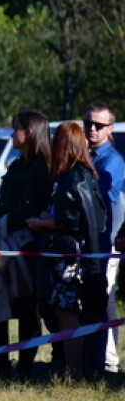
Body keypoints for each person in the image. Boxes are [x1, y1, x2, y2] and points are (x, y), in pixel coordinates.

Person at [27, 121, 106, 379]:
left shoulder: (76, 176)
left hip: (70, 258)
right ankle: (68, 366)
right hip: (66, 255)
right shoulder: (74, 175)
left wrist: (42, 222)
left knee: (67, 313)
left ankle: (74, 373)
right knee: (62, 313)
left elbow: (73, 221)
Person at [0, 110, 53, 378]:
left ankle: (23, 368)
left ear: (29, 131)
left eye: (16, 128)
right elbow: (9, 202)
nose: (12, 133)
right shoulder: (19, 163)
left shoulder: (41, 167)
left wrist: (2, 223)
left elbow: (30, 208)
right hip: (1, 242)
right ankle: (0, 365)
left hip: (24, 247)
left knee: (26, 310)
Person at [84, 103, 124, 374]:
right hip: (91, 240)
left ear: (110, 129)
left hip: (106, 240)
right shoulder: (88, 155)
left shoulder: (113, 161)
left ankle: (109, 361)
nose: (92, 129)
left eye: (99, 125)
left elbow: (105, 202)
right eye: (88, 123)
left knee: (106, 298)